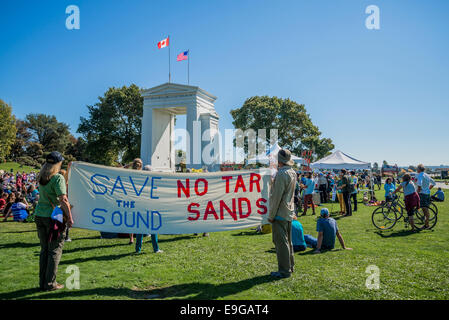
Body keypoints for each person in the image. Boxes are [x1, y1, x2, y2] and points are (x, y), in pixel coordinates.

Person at [34, 151, 73, 291]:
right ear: (58, 163)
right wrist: (69, 218)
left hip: (39, 215)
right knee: (54, 251)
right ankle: (50, 284)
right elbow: (63, 199)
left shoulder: (41, 176)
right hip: (53, 217)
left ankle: (42, 282)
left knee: (44, 250)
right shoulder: (57, 178)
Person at [267, 149, 296, 278]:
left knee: (281, 243)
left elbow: (276, 197)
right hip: (288, 211)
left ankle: (284, 271)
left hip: (280, 212)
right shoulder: (293, 172)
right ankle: (290, 266)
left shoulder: (281, 174)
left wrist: (271, 215)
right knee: (288, 242)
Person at [134, 160, 163, 254]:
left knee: (140, 229)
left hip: (141, 207)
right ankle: (156, 248)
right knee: (153, 228)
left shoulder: (140, 182)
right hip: (149, 207)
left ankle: (138, 249)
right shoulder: (151, 183)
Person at [416, 164, 435, 229]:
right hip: (427, 194)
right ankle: (426, 223)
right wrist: (428, 189)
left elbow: (419, 184)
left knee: (425, 210)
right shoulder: (426, 175)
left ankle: (426, 225)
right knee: (426, 210)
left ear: (419, 169)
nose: (416, 169)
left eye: (417, 168)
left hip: (422, 194)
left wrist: (417, 192)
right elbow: (433, 183)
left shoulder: (420, 175)